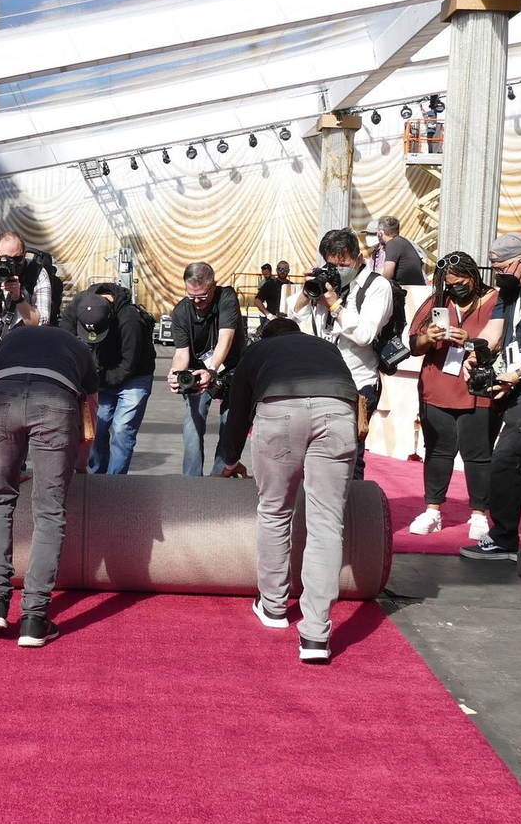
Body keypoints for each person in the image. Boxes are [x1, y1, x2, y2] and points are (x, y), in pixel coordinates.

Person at [216, 319, 359, 663]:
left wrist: (229, 460)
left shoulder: (258, 350)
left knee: (275, 511)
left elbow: (237, 412)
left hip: (279, 411)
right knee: (327, 524)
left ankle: (274, 607)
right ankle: (315, 636)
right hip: (338, 414)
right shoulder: (326, 348)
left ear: (267, 336)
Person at [0, 324, 98, 647]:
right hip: (57, 401)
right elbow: (90, 414)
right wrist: (80, 462)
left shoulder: (12, 338)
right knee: (49, 512)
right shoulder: (80, 349)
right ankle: (34, 618)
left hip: (1, 398)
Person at [459, 232, 521, 563]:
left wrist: (516, 375)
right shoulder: (510, 288)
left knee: (504, 462)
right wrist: (476, 352)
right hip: (520, 388)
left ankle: (503, 537)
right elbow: (495, 330)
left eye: (500, 265)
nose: (497, 272)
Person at [406, 253, 499, 540]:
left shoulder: (495, 301)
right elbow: (413, 343)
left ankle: (479, 514)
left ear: (473, 277)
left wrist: (470, 342)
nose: (455, 288)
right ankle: (433, 511)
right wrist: (429, 338)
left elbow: (502, 340)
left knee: (478, 454)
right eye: (449, 284)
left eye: (460, 282)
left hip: (477, 387)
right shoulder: (437, 302)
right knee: (437, 450)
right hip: (437, 386)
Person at [288, 227, 393, 480]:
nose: (338, 268)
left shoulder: (376, 286)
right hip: (317, 382)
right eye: (331, 263)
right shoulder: (325, 280)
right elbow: (293, 314)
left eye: (343, 263)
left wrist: (335, 304)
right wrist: (308, 290)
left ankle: (353, 512)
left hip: (356, 385)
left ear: (358, 257)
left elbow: (365, 334)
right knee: (313, 453)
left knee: (349, 456)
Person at [60, 284, 155, 474]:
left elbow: (128, 364)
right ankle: (97, 476)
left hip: (134, 376)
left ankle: (115, 481)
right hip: (101, 372)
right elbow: (65, 332)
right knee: (96, 430)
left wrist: (99, 381)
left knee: (122, 430)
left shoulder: (129, 319)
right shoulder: (80, 303)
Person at [167, 262, 246, 476]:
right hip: (196, 373)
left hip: (230, 369)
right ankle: (191, 480)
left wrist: (211, 371)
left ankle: (220, 475)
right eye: (191, 296)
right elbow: (182, 353)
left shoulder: (227, 298)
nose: (196, 302)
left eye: (202, 296)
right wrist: (174, 373)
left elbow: (225, 339)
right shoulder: (181, 311)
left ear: (213, 286)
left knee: (229, 425)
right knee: (192, 427)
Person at [377, 216, 427, 285]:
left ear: (380, 233)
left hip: (407, 290)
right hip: (416, 288)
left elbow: (388, 275)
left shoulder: (392, 244)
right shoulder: (403, 242)